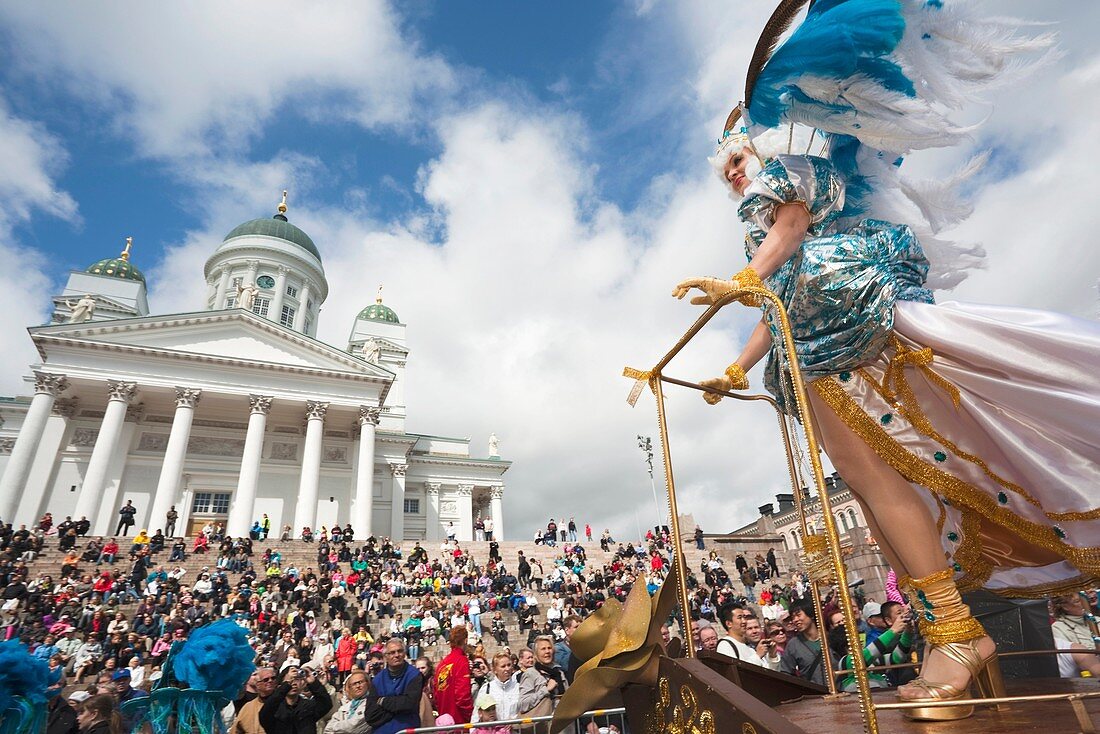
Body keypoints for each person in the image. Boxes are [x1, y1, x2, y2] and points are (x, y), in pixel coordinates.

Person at [673, 1, 1082, 721]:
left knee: (878, 477)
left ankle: (957, 632)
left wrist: (744, 278)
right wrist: (736, 368)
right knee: (865, 487)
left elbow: (792, 235)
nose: (733, 175)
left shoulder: (788, 179)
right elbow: (778, 301)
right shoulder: (754, 228)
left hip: (845, 322)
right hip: (810, 346)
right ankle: (944, 634)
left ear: (758, 150)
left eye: (738, 159)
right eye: (725, 170)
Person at [259, 666, 333, 734]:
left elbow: (326, 703)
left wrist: (313, 683)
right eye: (291, 680)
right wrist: (286, 685)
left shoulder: (308, 706)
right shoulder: (275, 708)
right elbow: (265, 713)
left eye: (297, 679)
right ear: (281, 683)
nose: (294, 683)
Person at [370, 640, 423, 734]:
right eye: (392, 652)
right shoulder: (377, 680)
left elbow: (409, 704)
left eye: (400, 651)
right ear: (386, 656)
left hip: (406, 729)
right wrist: (398, 706)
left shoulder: (414, 675)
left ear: (404, 653)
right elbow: (370, 715)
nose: (397, 655)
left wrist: (383, 701)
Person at [323, 670, 389, 734]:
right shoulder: (344, 707)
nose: (358, 686)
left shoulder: (373, 704)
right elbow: (328, 728)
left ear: (368, 684)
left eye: (360, 682)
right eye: (354, 684)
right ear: (349, 688)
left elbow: (354, 727)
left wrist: (335, 727)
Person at [1051, 594, 1100, 678]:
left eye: (1084, 600)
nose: (1083, 603)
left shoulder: (1097, 620)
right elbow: (1069, 659)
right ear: (1065, 607)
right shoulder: (1058, 628)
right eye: (1077, 601)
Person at [433, 626, 472, 725]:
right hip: (459, 721)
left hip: (444, 722)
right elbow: (462, 696)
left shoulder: (442, 664)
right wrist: (470, 717)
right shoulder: (462, 661)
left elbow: (436, 696)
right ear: (465, 640)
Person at [778, 604, 824, 686]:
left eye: (798, 615)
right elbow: (786, 672)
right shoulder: (793, 645)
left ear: (811, 615)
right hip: (815, 693)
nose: (795, 620)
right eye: (793, 617)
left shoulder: (830, 638)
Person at [472, 652, 520, 725]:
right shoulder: (487, 688)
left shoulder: (519, 687)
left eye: (509, 665)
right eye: (503, 666)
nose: (507, 668)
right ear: (495, 670)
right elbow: (476, 716)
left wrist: (515, 720)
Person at [232, 667, 278, 734]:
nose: (270, 681)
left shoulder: (283, 702)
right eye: (266, 679)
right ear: (258, 685)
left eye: (273, 678)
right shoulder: (248, 707)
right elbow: (236, 730)